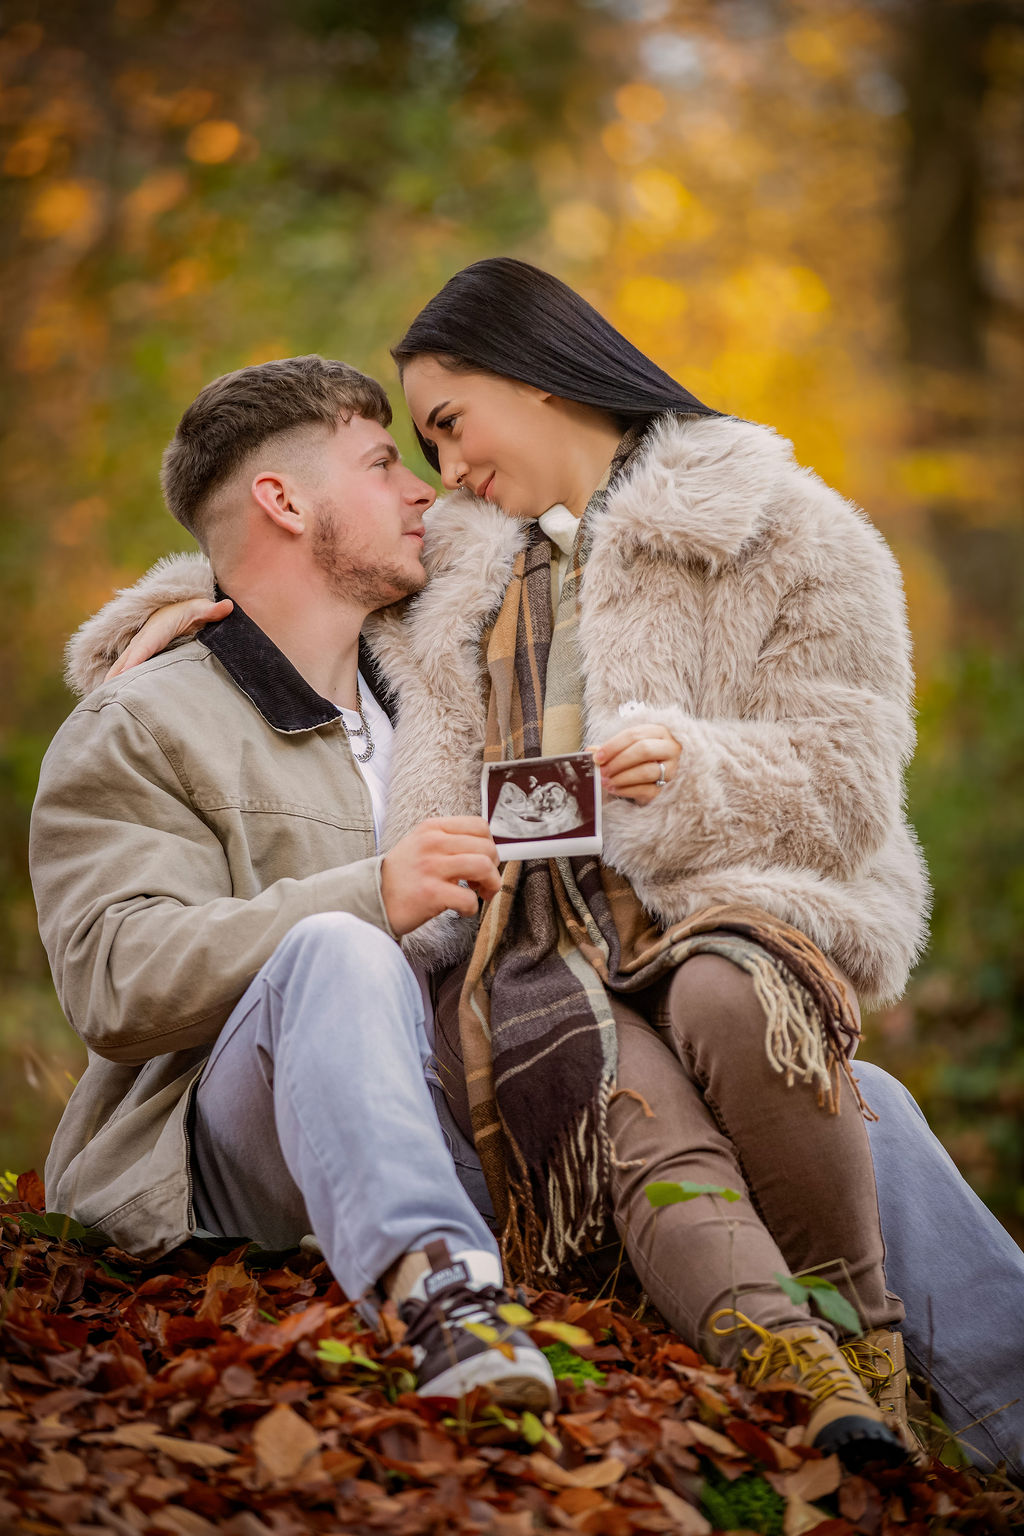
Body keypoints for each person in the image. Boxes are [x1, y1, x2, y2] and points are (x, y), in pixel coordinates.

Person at [74, 268, 1023, 1476]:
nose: (441, 477)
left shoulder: (781, 533)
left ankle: (955, 1417)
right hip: (522, 977)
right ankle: (789, 1369)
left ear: (529, 374)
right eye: (408, 451)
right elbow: (302, 558)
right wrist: (162, 615)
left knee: (859, 1106)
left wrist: (690, 768)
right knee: (609, 1067)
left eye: (448, 428)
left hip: (712, 940)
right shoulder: (478, 562)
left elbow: (848, 783)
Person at [29, 355, 558, 1412]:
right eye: (381, 463)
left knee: (849, 1096)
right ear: (281, 499)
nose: (423, 489)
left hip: (457, 1104)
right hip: (218, 1157)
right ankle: (443, 1300)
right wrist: (374, 893)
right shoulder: (146, 719)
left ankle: (992, 1420)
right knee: (336, 949)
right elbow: (116, 980)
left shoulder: (438, 710)